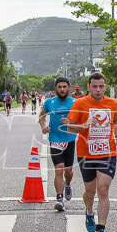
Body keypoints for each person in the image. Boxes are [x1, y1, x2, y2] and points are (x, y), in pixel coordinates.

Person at [64, 72, 117, 232]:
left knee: (103, 190)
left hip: (108, 153)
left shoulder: (112, 103)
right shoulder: (80, 103)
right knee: (90, 192)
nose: (98, 90)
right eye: (94, 86)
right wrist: (84, 125)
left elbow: (116, 120)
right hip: (86, 154)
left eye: (101, 86)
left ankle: (101, 229)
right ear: (88, 87)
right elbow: (70, 129)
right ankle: (89, 212)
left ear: (105, 87)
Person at [39, 76, 78, 212]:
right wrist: (43, 126)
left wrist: (71, 123)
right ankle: (59, 198)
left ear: (69, 88)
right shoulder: (50, 102)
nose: (62, 89)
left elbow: (82, 120)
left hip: (70, 139)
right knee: (59, 168)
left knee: (68, 171)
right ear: (56, 88)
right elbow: (41, 115)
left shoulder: (75, 102)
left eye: (64, 87)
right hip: (55, 139)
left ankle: (68, 184)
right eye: (59, 87)